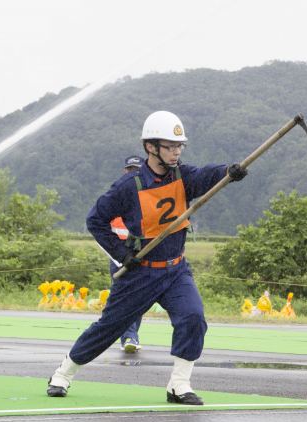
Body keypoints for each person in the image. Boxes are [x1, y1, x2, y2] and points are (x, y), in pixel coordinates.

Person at [47, 111, 247, 405]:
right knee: (109, 328)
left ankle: (179, 385)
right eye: (170, 146)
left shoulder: (183, 176)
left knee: (193, 318)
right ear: (151, 147)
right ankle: (63, 373)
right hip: (140, 272)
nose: (177, 151)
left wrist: (229, 172)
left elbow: (207, 175)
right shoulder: (128, 186)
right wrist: (120, 253)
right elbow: (95, 220)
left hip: (176, 270)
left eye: (180, 146)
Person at [111, 155, 145, 354]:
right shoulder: (117, 195)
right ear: (125, 171)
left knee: (140, 298)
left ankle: (131, 335)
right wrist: (119, 253)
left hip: (142, 256)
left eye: (136, 171)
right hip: (120, 256)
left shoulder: (148, 196)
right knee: (126, 297)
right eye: (129, 170)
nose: (132, 174)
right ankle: (129, 337)